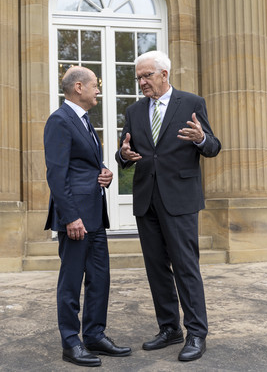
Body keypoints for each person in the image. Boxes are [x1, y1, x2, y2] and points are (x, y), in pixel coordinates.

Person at [116, 51, 221, 362]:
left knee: (186, 267)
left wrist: (201, 138)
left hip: (180, 198)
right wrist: (123, 155)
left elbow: (213, 147)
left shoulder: (191, 103)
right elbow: (126, 151)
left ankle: (197, 332)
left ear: (164, 74)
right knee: (157, 268)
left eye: (146, 76)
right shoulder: (134, 110)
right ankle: (169, 328)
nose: (141, 82)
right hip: (146, 198)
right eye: (138, 77)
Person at [44, 66, 131, 367]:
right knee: (71, 281)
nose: (99, 91)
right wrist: (70, 217)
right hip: (76, 218)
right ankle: (71, 342)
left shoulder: (84, 121)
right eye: (96, 85)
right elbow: (56, 175)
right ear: (78, 87)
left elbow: (81, 166)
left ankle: (94, 335)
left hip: (95, 214)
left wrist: (103, 172)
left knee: (99, 278)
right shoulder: (60, 120)